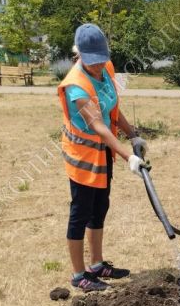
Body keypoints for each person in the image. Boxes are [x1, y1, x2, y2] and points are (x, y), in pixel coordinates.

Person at [57, 23, 149, 292]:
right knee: (80, 212)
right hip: (82, 157)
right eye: (92, 62)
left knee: (100, 208)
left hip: (102, 154)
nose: (98, 67)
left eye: (101, 61)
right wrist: (126, 156)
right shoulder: (75, 86)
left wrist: (133, 136)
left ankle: (96, 265)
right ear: (80, 55)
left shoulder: (106, 70)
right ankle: (78, 275)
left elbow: (112, 109)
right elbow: (98, 124)